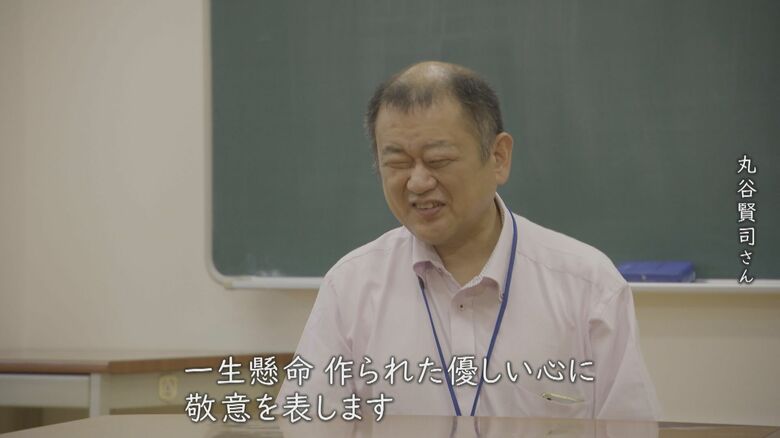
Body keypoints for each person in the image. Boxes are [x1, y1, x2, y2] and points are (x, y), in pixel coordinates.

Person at [277, 61, 661, 420]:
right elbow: (307, 421)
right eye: (397, 163)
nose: (417, 182)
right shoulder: (349, 287)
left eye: (438, 160)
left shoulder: (588, 286)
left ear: (498, 157)